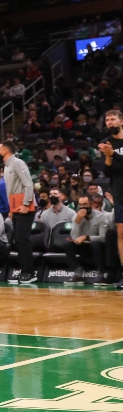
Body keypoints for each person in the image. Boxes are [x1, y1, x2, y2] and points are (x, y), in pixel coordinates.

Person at [0, 141, 37, 284]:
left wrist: (26, 203)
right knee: (18, 241)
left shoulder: (18, 163)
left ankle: (30, 272)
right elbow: (11, 190)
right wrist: (11, 208)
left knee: (23, 239)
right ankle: (24, 270)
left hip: (24, 206)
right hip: (15, 207)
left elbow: (28, 184)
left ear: (5, 150)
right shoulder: (7, 165)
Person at [97, 109, 123, 290]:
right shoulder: (106, 143)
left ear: (121, 121)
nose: (110, 122)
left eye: (113, 119)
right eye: (107, 120)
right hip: (120, 192)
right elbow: (107, 172)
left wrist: (113, 154)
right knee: (121, 232)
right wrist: (107, 156)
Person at [64, 195, 111, 283]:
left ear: (92, 204)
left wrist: (87, 237)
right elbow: (74, 237)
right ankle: (77, 271)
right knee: (68, 244)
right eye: (80, 205)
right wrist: (77, 221)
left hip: (99, 246)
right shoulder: (76, 217)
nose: (82, 207)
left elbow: (103, 237)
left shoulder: (102, 216)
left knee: (95, 243)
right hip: (84, 247)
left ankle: (101, 273)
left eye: (85, 204)